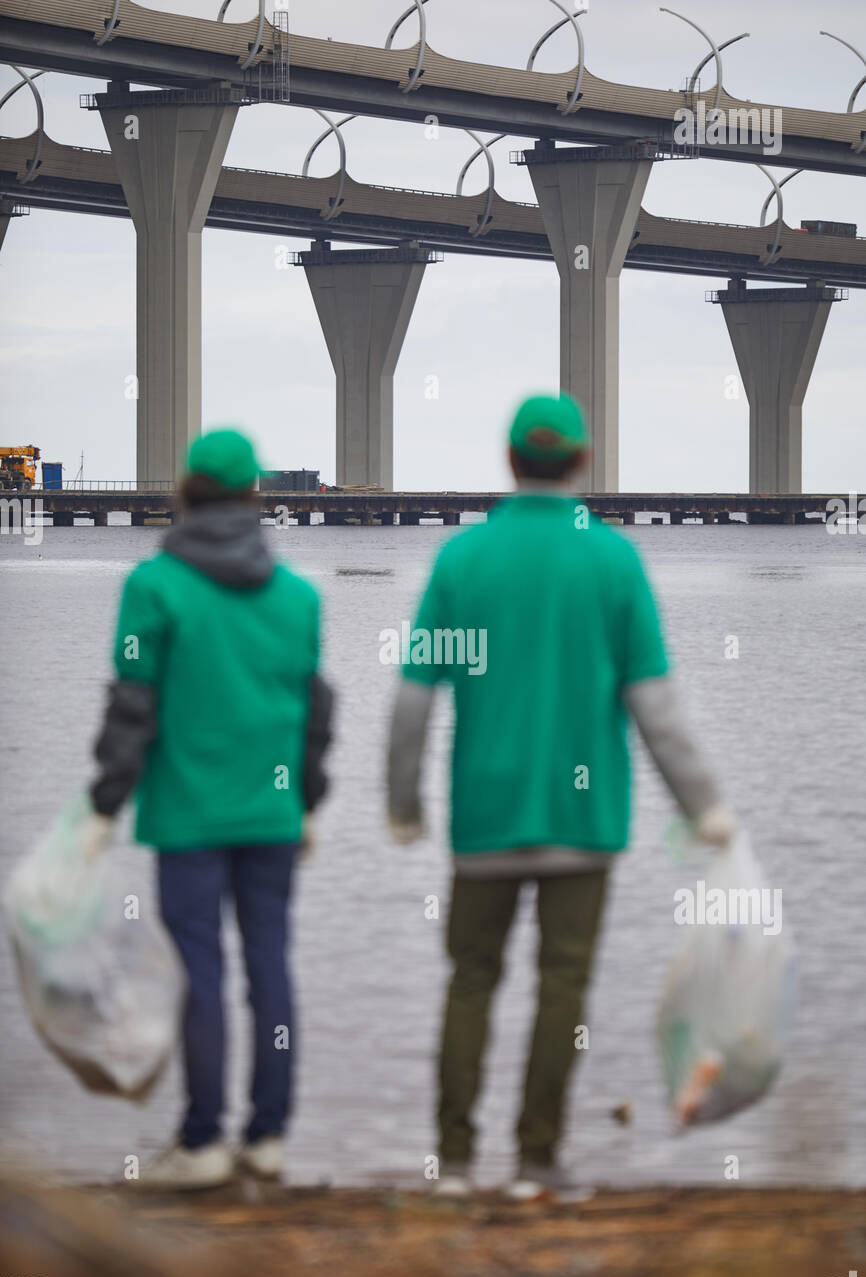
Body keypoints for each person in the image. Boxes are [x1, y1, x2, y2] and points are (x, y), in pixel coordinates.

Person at [387, 393, 735, 1199]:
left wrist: (404, 804)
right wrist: (704, 808)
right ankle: (536, 1161)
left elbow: (412, 702)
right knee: (562, 985)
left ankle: (456, 1163)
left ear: (509, 463)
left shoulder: (461, 561)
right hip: (584, 822)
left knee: (470, 981)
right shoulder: (613, 561)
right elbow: (659, 712)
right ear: (580, 461)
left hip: (483, 817)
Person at [86, 429, 333, 1189]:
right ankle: (267, 1138)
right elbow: (315, 709)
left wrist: (105, 803)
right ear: (257, 498)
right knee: (270, 968)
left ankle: (200, 1143)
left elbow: (134, 703)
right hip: (272, 812)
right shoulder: (297, 596)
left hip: (186, 818)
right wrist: (312, 801)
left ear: (186, 493)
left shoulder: (153, 587)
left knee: (200, 971)